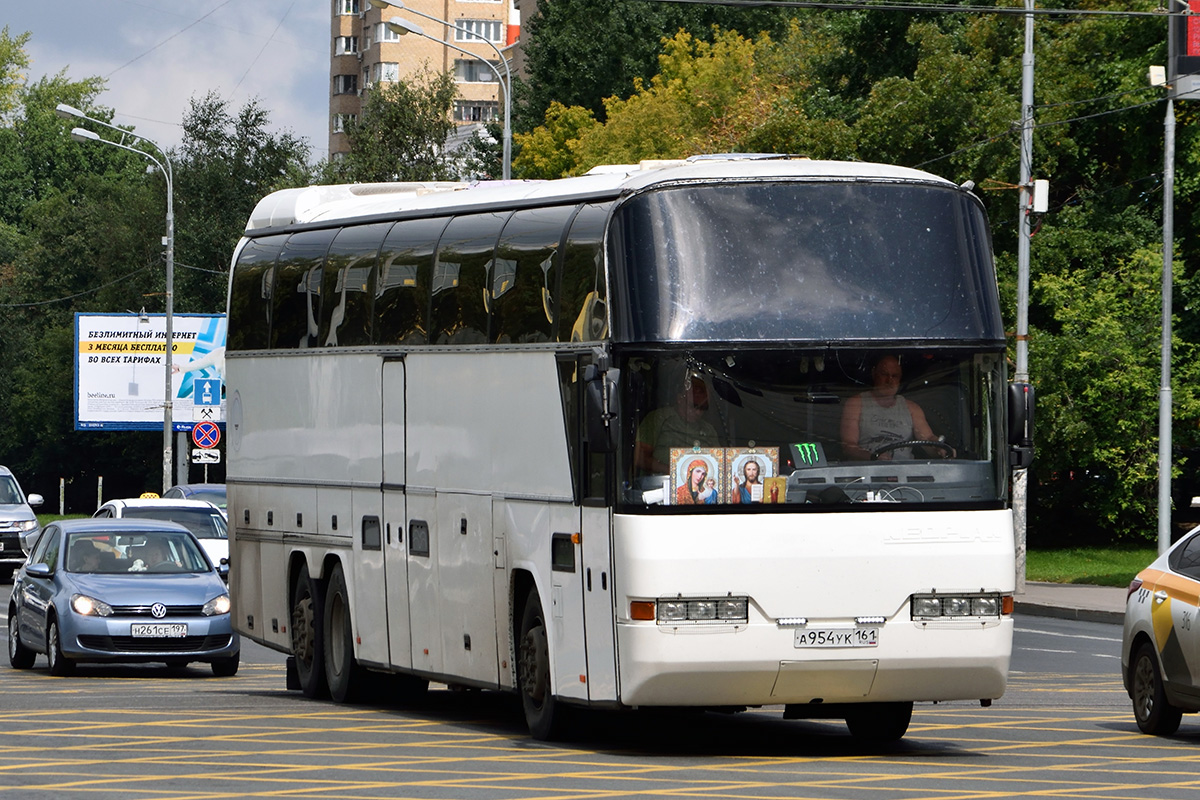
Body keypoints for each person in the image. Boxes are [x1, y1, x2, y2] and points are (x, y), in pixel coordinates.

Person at [840, 355, 952, 460]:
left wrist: (940, 448)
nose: (889, 381)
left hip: (904, 472)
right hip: (869, 472)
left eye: (894, 376)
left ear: (900, 379)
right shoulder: (856, 403)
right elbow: (849, 447)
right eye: (884, 374)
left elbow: (927, 439)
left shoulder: (912, 408)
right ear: (874, 373)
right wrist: (872, 457)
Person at [634, 377, 718, 475]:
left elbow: (718, 463)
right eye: (694, 406)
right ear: (680, 399)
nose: (698, 412)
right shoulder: (659, 418)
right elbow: (639, 457)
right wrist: (673, 472)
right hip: (660, 484)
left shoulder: (708, 430)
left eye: (703, 408)